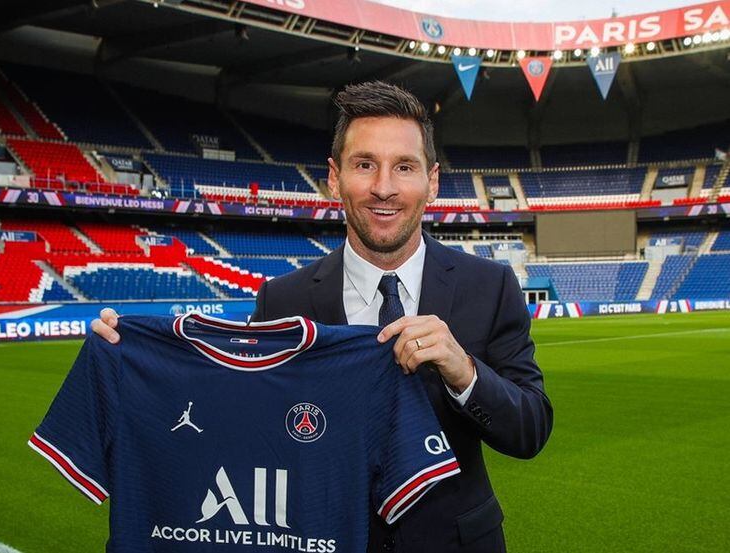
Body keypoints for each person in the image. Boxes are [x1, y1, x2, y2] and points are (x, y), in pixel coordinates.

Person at [92, 81, 553, 552]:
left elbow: (530, 429)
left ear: (432, 181)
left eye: (405, 167)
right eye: (364, 164)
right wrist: (134, 364)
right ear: (334, 177)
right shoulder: (280, 301)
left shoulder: (490, 285)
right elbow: (236, 422)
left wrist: (465, 373)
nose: (384, 187)